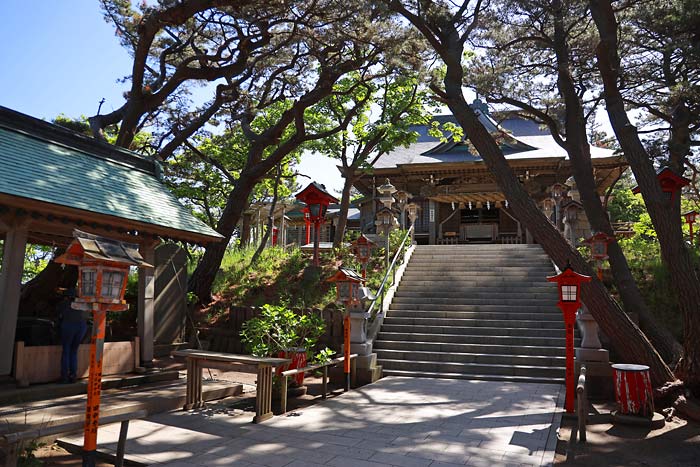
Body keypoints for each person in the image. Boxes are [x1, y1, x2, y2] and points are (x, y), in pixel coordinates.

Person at [57, 288, 87, 383]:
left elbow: (59, 315)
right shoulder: (82, 305)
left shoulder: (64, 304)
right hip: (81, 327)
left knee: (66, 350)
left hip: (68, 326)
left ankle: (64, 377)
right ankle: (73, 375)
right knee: (74, 351)